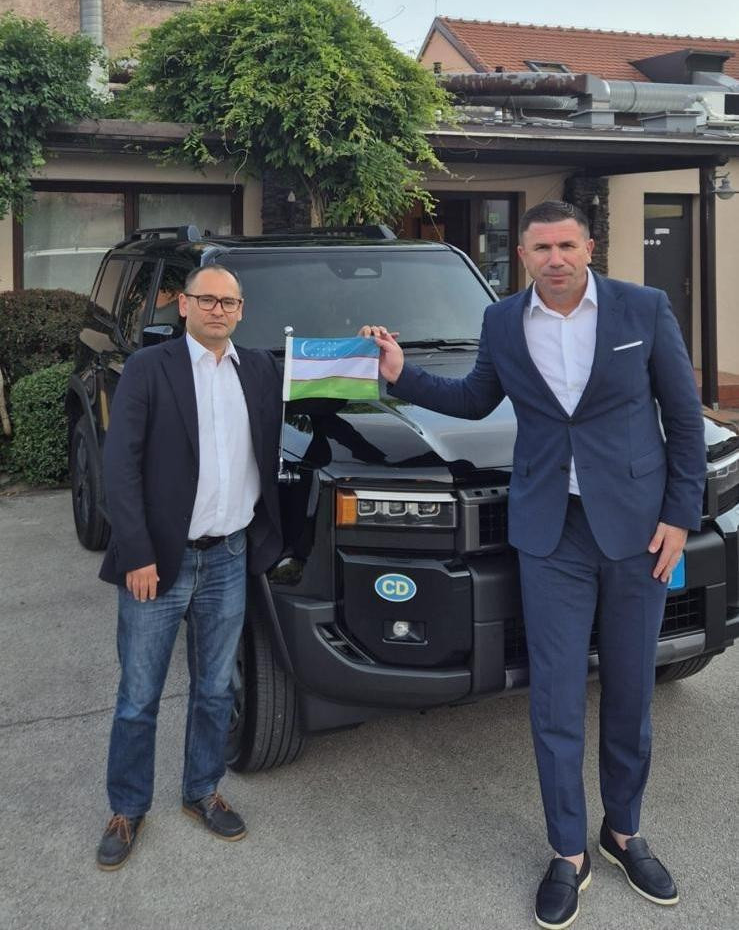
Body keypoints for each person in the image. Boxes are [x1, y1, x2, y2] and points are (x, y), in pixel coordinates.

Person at [363, 201, 705, 929]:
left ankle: (622, 833)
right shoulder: (502, 322)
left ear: (589, 247)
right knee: (554, 698)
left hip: (638, 531)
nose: (555, 258)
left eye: (567, 245)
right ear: (521, 255)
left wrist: (680, 516)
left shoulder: (642, 309)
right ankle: (566, 852)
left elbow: (683, 418)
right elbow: (473, 397)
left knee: (630, 691)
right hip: (551, 534)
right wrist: (401, 372)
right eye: (541, 247)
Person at [96, 264, 283, 870]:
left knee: (215, 688)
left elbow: (321, 385)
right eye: (206, 299)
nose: (218, 310)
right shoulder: (150, 368)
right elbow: (119, 465)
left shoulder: (258, 369)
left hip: (228, 556)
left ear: (241, 310)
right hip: (158, 562)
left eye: (229, 302)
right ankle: (127, 808)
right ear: (183, 305)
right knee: (138, 695)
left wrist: (365, 350)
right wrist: (136, 553)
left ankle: (202, 790)